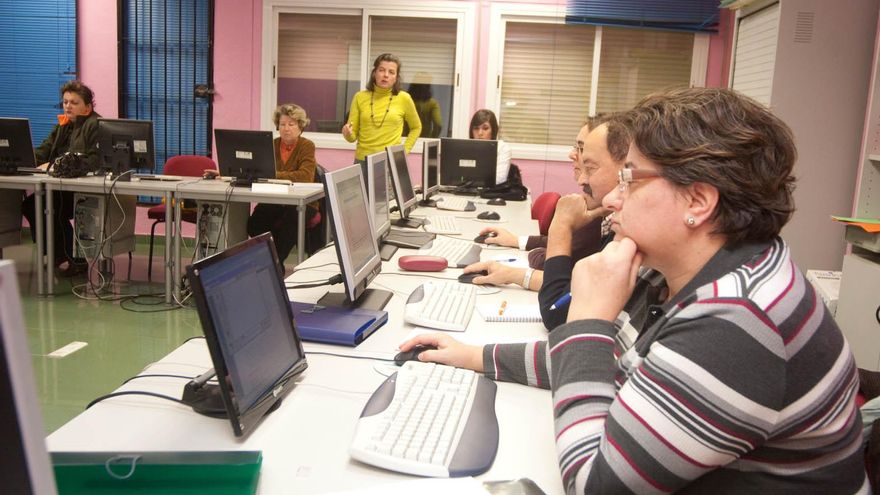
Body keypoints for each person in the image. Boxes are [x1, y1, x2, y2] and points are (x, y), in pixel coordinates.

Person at [401, 88, 867, 493]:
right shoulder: (678, 269)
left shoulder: (739, 322)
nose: (609, 199)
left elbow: (594, 483)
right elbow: (616, 360)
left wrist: (587, 320)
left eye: (630, 178)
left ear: (698, 202)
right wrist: (475, 356)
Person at [464, 116, 628, 329]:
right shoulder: (606, 220)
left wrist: (560, 226)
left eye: (583, 152)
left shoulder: (612, 228)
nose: (573, 155)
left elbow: (557, 299)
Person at [22, 80, 100, 276]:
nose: (67, 106)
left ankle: (75, 258)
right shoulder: (63, 125)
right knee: (31, 205)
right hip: (59, 185)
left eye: (73, 102)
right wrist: (24, 158)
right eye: (65, 102)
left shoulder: (94, 125)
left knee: (49, 207)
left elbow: (93, 160)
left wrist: (54, 165)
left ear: (87, 107)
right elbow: (44, 150)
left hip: (81, 188)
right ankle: (58, 254)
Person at [246, 103, 320, 265]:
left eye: (291, 124)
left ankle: (274, 264)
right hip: (276, 199)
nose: (286, 128)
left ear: (300, 126)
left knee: (291, 223)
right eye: (282, 124)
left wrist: (273, 175)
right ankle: (271, 260)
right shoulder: (272, 144)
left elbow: (305, 176)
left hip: (305, 202)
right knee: (254, 224)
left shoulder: (307, 145)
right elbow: (259, 171)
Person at [342, 53, 421, 162]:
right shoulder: (359, 97)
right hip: (362, 161)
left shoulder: (404, 98)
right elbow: (352, 137)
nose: (386, 75)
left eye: (391, 72)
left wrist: (404, 151)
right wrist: (347, 134)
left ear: (396, 77)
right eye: (382, 70)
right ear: (374, 73)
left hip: (390, 162)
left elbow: (416, 127)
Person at [469, 109, 511, 185]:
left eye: (485, 128)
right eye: (476, 128)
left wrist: (471, 181)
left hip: (491, 193)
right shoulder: (465, 147)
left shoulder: (502, 148)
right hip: (467, 192)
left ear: (493, 130)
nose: (480, 133)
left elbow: (499, 179)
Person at [408, 73, 442, 138]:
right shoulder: (432, 103)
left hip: (406, 139)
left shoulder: (406, 100)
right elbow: (438, 124)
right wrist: (432, 138)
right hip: (425, 139)